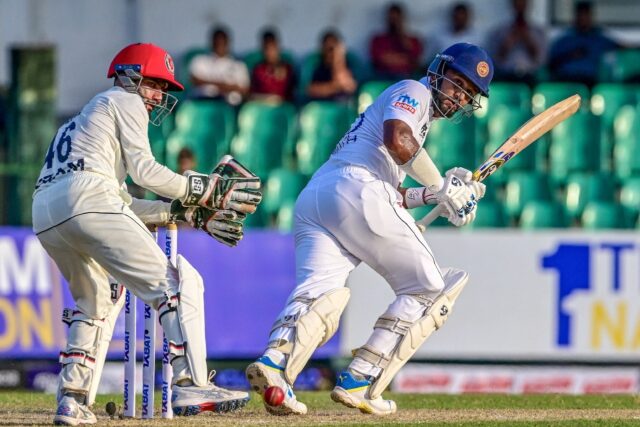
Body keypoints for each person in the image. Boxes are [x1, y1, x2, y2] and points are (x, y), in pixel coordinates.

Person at [245, 43, 492, 416]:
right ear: (439, 70)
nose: (459, 98)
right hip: (356, 189)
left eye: (468, 94)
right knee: (430, 288)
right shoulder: (415, 90)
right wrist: (444, 186)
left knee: (320, 293)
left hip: (321, 197)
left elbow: (392, 189)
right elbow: (397, 140)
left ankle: (275, 364)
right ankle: (361, 379)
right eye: (458, 84)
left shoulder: (416, 117)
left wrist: (435, 197)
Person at [32, 43, 262, 425]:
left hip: (47, 211)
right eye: (154, 85)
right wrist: (204, 191)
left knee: (94, 304)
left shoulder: (86, 122)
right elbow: (145, 173)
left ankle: (71, 401)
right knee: (173, 284)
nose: (158, 97)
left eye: (163, 89)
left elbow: (121, 203)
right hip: (88, 199)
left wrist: (185, 212)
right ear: (130, 76)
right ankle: (190, 381)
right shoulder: (124, 101)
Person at [548, 1, 620, 87]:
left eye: (586, 15)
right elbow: (551, 64)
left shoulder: (598, 39)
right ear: (575, 16)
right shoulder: (564, 40)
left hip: (590, 82)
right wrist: (570, 55)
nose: (583, 19)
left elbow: (619, 46)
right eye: (580, 15)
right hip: (566, 80)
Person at [486, 0, 546, 85]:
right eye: (517, 2)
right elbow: (494, 60)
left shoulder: (538, 32)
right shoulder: (500, 32)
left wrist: (527, 39)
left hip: (531, 77)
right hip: (506, 76)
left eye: (523, 2)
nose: (520, 5)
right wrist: (508, 43)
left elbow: (542, 60)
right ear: (512, 4)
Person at [189, 26, 250, 105]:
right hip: (203, 102)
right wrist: (226, 86)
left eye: (222, 42)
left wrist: (207, 82)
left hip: (229, 105)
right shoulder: (200, 61)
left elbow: (243, 89)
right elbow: (195, 80)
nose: (220, 45)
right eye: (217, 42)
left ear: (228, 43)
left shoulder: (238, 65)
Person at [369, 3, 424, 80]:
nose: (394, 22)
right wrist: (402, 59)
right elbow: (379, 61)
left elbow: (415, 62)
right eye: (392, 19)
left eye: (397, 19)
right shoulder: (378, 40)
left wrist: (402, 38)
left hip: (406, 76)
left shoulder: (413, 40)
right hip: (383, 76)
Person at [306, 30, 358, 102]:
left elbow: (350, 86)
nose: (331, 53)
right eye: (328, 49)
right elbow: (311, 90)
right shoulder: (318, 67)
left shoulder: (348, 64)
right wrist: (334, 87)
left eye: (333, 48)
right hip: (323, 106)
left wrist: (338, 61)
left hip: (344, 106)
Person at [249, 29, 296, 103]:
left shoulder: (288, 69)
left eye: (273, 48)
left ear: (279, 48)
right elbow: (251, 94)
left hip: (284, 108)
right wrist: (269, 99)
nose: (270, 53)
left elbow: (294, 92)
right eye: (267, 49)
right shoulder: (258, 70)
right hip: (262, 106)